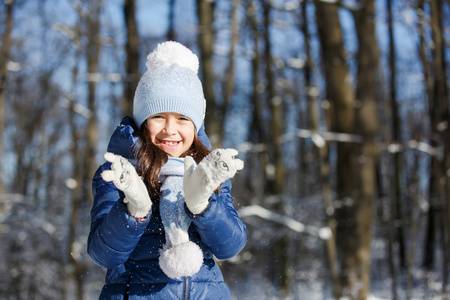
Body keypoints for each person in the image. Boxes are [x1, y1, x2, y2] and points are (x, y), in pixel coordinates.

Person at [87, 41, 247, 299]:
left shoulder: (208, 172)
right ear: (142, 120)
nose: (170, 129)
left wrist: (203, 206)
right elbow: (103, 253)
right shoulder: (121, 172)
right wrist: (134, 212)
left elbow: (230, 246)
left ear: (196, 126)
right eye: (158, 116)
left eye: (183, 118)